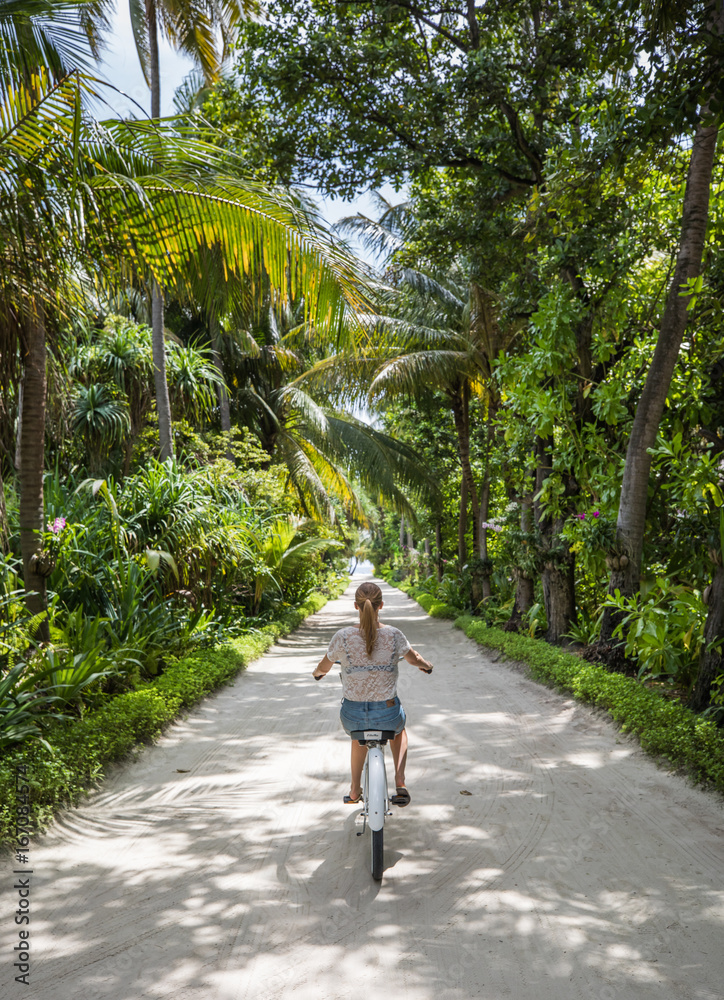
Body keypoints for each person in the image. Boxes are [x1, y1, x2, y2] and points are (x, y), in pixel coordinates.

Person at [313, 581, 434, 807]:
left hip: (352, 715)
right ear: (381, 605)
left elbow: (324, 665)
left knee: (358, 737)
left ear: (356, 606)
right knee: (399, 730)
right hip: (387, 714)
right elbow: (414, 658)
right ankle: (400, 782)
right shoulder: (394, 634)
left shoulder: (342, 636)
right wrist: (426, 665)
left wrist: (317, 673)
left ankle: (354, 789)